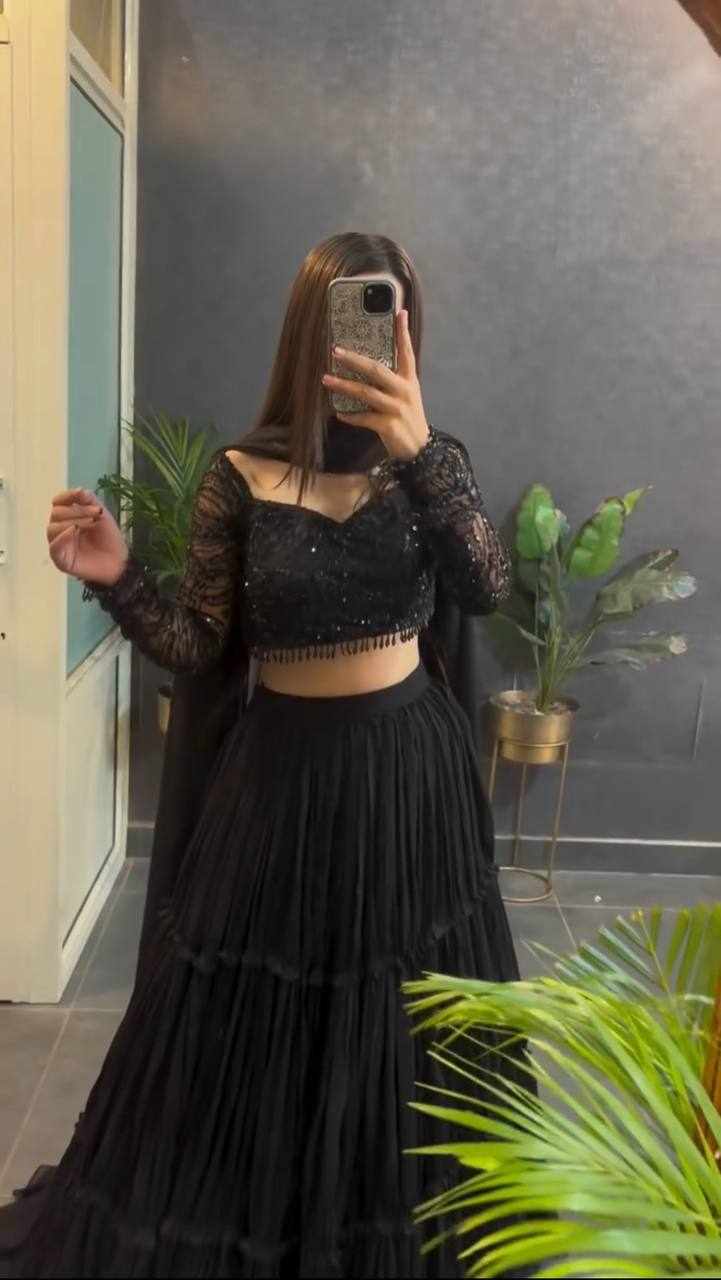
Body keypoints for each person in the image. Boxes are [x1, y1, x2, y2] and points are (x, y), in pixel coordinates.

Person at [0, 232, 532, 1278]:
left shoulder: (435, 465)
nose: (377, 335)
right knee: (253, 1020)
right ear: (310, 329)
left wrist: (421, 452)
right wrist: (116, 575)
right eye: (355, 312)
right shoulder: (236, 477)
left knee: (399, 1012)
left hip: (406, 785)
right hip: (279, 784)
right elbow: (200, 645)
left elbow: (484, 589)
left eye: (392, 314)